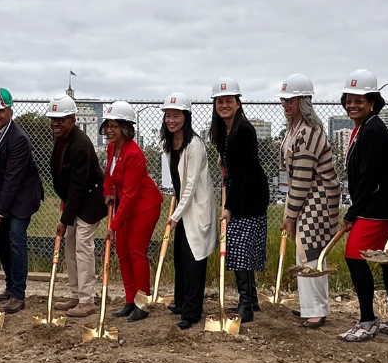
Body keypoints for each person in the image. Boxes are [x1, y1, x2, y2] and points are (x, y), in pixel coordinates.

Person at [337, 69, 388, 342]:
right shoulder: (363, 128)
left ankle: (368, 320)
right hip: (382, 204)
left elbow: (368, 177)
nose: (352, 105)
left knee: (354, 255)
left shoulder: (373, 130)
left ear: (372, 102)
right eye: (349, 99)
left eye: (359, 100)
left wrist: (353, 213)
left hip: (378, 206)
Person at [279, 74, 342, 329]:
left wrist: (290, 214)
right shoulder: (296, 129)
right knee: (304, 251)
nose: (285, 103)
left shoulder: (308, 132)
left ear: (303, 101)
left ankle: (316, 309)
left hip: (318, 197)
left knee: (311, 251)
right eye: (284, 99)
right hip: (307, 196)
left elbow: (304, 177)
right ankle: (310, 306)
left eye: (290, 99)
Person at [210, 78, 269, 323]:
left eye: (229, 101)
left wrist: (228, 207)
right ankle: (251, 298)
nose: (224, 105)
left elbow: (243, 173)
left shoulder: (243, 130)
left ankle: (246, 305)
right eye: (219, 101)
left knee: (242, 249)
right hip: (239, 193)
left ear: (237, 103)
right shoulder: (222, 130)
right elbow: (231, 167)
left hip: (250, 197)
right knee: (239, 248)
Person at [0, 87, 44, 314]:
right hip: (2, 191)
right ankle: (9, 286)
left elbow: (13, 180)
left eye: (0, 110)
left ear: (10, 112)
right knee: (1, 240)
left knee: (16, 236)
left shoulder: (19, 140)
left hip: (23, 195)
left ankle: (18, 294)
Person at [101, 100, 164, 321]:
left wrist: (113, 225)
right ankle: (129, 300)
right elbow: (109, 177)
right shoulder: (111, 148)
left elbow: (129, 195)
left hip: (144, 206)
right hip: (125, 206)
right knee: (121, 252)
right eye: (107, 125)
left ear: (125, 127)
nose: (108, 130)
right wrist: (107, 192)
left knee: (136, 251)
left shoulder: (134, 154)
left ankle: (142, 302)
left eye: (113, 125)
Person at [47, 92, 106, 319]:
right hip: (75, 200)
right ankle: (75, 294)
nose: (56, 123)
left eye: (61, 119)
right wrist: (66, 213)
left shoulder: (80, 144)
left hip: (90, 201)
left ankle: (87, 301)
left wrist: (64, 219)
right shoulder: (61, 139)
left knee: (82, 247)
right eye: (53, 119)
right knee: (70, 246)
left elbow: (79, 187)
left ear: (72, 119)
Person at [162, 93, 217, 329]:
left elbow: (192, 184)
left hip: (196, 208)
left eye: (176, 115)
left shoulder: (194, 145)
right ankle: (181, 301)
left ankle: (192, 313)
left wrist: (174, 216)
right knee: (180, 258)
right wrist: (175, 207)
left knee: (194, 258)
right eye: (167, 115)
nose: (171, 120)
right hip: (182, 206)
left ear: (186, 117)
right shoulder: (168, 143)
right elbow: (178, 181)